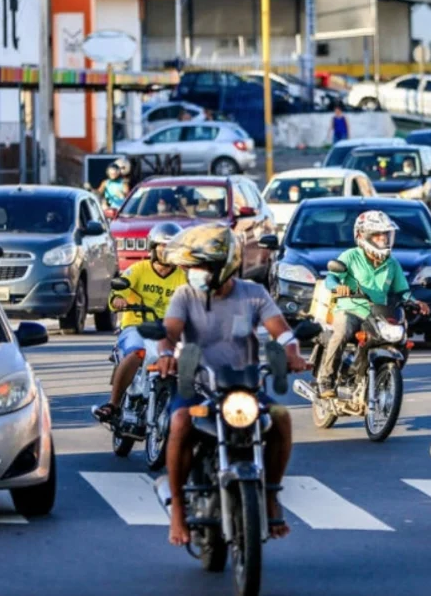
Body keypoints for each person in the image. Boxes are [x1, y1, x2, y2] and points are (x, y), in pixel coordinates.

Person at [155, 224, 309, 546]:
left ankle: (269, 495)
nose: (193, 273)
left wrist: (293, 352)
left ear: (223, 267)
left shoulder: (254, 293)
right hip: (199, 386)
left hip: (245, 388)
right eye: (191, 267)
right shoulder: (185, 295)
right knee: (180, 421)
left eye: (200, 267)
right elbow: (170, 333)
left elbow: (282, 332)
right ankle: (179, 510)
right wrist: (167, 354)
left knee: (281, 417)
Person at [316, 211, 428, 398]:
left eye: (386, 235)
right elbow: (331, 278)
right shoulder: (351, 256)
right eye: (378, 235)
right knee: (342, 332)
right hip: (350, 309)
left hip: (378, 312)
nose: (383, 239)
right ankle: (326, 379)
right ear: (362, 236)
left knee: (398, 340)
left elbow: (402, 291)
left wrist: (416, 302)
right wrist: (338, 288)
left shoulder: (392, 264)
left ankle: (379, 377)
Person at [92, 223, 186, 424]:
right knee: (137, 352)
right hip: (137, 326)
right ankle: (113, 404)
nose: (167, 252)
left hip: (169, 331)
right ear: (153, 247)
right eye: (163, 246)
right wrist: (119, 300)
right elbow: (117, 293)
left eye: (172, 247)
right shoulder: (138, 270)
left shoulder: (183, 277)